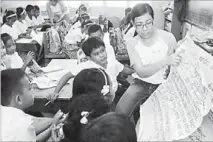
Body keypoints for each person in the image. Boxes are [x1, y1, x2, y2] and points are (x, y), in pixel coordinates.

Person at [115, 3, 183, 121]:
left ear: (153, 19)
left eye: (148, 23)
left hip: (163, 84)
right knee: (119, 114)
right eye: (139, 25)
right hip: (142, 83)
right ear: (133, 24)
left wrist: (172, 68)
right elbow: (141, 72)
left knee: (165, 120)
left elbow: (176, 64)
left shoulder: (168, 38)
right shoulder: (132, 43)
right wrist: (165, 61)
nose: (145, 29)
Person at [48, 37, 134, 102]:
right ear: (89, 57)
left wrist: (139, 71)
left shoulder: (112, 62)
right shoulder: (86, 66)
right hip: (98, 99)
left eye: (102, 51)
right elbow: (66, 76)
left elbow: (125, 70)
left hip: (115, 94)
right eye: (96, 54)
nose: (102, 55)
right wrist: (56, 92)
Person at [1, 69, 67, 142]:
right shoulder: (22, 125)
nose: (33, 90)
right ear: (19, 99)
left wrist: (53, 125)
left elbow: (34, 140)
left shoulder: (5, 113)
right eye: (29, 89)